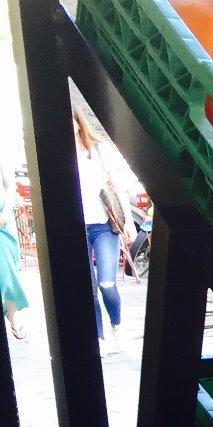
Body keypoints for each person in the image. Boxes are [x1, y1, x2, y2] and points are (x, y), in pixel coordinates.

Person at [74, 105, 131, 353]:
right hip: (77, 227)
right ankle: (98, 338)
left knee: (106, 282)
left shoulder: (98, 150)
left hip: (103, 225)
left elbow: (118, 186)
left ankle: (117, 326)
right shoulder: (56, 155)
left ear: (78, 122)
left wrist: (128, 221)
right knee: (86, 287)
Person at [0, 152, 26, 341]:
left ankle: (13, 315)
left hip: (2, 219)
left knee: (6, 271)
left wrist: (6, 213)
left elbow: (10, 187)